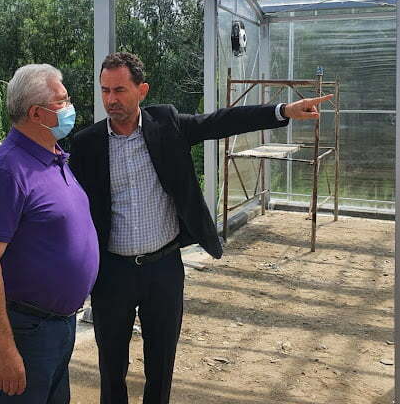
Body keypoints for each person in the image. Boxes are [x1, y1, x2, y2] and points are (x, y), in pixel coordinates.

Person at [69, 52, 332, 404]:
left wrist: (282, 111)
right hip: (112, 273)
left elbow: (220, 121)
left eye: (120, 90)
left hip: (163, 270)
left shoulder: (167, 124)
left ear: (142, 90)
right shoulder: (87, 144)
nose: (111, 99)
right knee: (111, 367)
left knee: (161, 364)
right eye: (105, 90)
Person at [0, 63, 99, 404]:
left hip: (58, 325)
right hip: (26, 330)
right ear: (37, 113)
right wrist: (3, 349)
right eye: (62, 101)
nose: (70, 107)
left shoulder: (54, 157)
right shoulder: (5, 171)